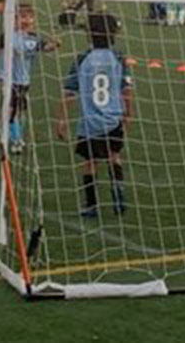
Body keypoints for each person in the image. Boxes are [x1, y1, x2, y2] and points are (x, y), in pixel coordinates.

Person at [55, 12, 132, 217]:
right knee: (114, 156)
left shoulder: (82, 59)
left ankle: (91, 205)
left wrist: (61, 120)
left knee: (90, 162)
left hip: (90, 122)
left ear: (89, 35)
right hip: (113, 117)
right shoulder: (118, 58)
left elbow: (69, 92)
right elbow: (126, 89)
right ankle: (118, 195)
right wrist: (128, 113)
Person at [0, 4, 54, 154]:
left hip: (24, 80)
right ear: (14, 19)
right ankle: (15, 139)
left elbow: (45, 48)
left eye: (30, 17)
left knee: (21, 111)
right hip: (8, 79)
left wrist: (54, 45)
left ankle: (15, 135)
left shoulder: (34, 38)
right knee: (11, 109)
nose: (27, 20)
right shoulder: (8, 36)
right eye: (22, 17)